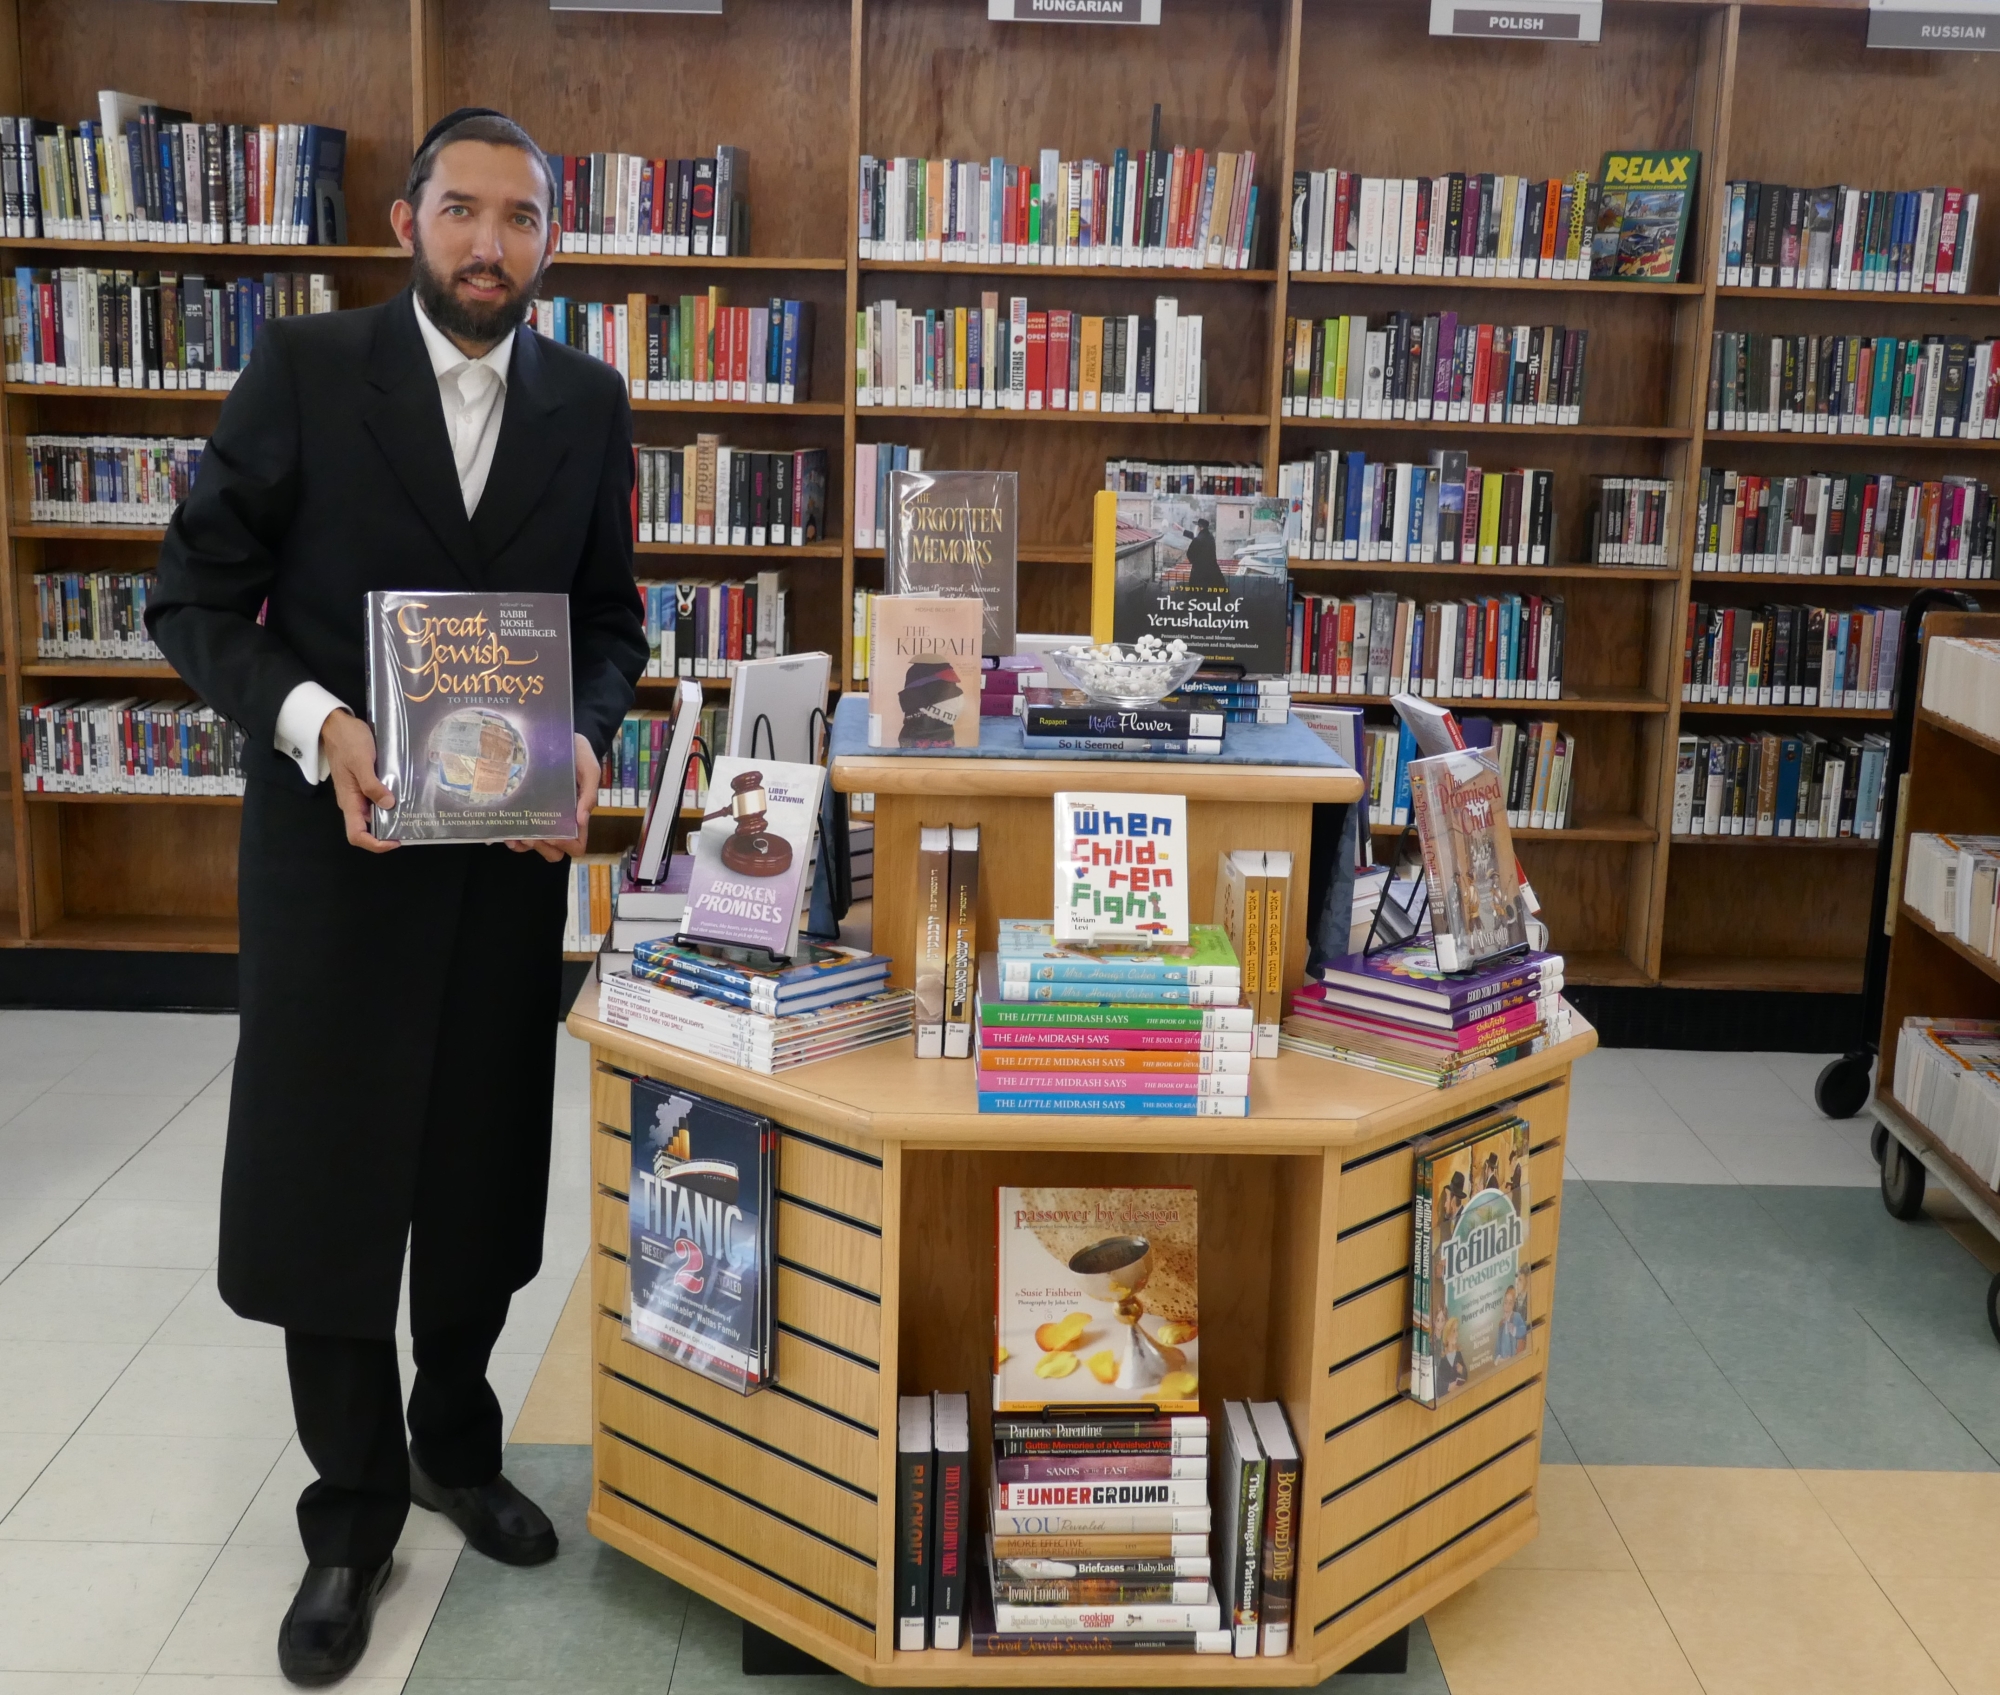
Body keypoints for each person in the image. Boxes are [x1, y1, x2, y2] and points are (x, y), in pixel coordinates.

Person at [146, 108, 647, 1687]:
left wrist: (587, 740)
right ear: (405, 222)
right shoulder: (305, 372)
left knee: (481, 1178)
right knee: (334, 1187)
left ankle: (457, 1444)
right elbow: (192, 595)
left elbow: (610, 623)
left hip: (502, 872)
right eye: (461, 212)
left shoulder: (585, 401)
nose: (489, 245)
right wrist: (319, 724)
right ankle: (351, 1517)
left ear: (551, 240)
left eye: (520, 218)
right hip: (336, 859)